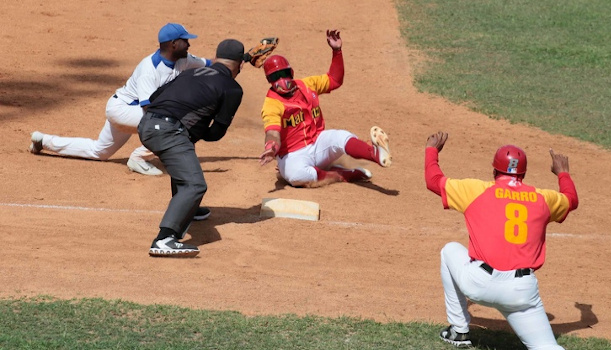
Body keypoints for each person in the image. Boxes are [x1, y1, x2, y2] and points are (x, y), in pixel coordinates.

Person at [424, 131, 579, 349]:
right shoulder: (543, 198)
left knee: (450, 250)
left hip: (479, 284)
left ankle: (458, 331)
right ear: (523, 174)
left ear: (494, 170)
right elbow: (571, 200)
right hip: (521, 293)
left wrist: (432, 150)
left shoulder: (476, 190)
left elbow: (433, 181)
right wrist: (562, 173)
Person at [29, 23, 213, 176]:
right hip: (123, 110)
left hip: (129, 110)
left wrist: (235, 61)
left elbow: (213, 64)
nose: (189, 44)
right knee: (174, 123)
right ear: (173, 44)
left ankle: (42, 141)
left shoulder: (185, 59)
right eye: (185, 40)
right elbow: (150, 111)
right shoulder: (150, 69)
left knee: (99, 152)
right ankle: (138, 158)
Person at [138, 39, 245, 258]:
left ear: (215, 58)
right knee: (194, 184)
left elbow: (155, 97)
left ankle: (189, 209)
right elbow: (216, 133)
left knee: (183, 152)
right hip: (167, 131)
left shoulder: (190, 73)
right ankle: (165, 239)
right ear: (239, 66)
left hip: (146, 124)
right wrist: (198, 127)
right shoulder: (232, 88)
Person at [258, 29, 392, 188]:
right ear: (269, 81)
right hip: (293, 154)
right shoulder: (272, 103)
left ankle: (375, 153)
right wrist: (271, 148)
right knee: (297, 176)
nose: (281, 80)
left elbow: (335, 80)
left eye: (284, 73)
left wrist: (337, 51)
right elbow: (272, 132)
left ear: (291, 72)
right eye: (275, 77)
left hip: (319, 144)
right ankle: (340, 174)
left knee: (342, 137)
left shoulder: (307, 85)